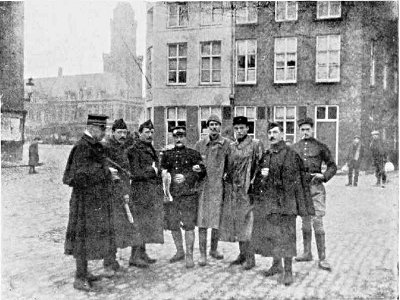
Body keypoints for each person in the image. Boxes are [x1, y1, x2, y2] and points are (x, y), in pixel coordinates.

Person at [252, 123, 315, 286]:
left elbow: (291, 180)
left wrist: (270, 175)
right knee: (273, 234)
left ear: (282, 135)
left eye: (275, 132)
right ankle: (276, 265)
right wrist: (262, 176)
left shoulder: (290, 155)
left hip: (286, 203)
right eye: (269, 133)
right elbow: (258, 178)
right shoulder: (266, 155)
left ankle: (288, 271)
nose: (272, 135)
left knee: (286, 237)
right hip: (270, 203)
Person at [63, 114, 116, 291]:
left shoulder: (91, 145)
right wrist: (107, 173)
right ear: (92, 128)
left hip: (93, 199)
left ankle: (85, 273)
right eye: (102, 129)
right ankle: (79, 278)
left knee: (88, 237)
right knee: (82, 237)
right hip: (84, 201)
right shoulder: (83, 147)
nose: (103, 133)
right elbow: (80, 175)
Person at [219, 116, 264, 270]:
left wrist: (253, 187)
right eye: (236, 128)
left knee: (247, 224)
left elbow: (259, 168)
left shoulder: (255, 145)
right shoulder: (231, 147)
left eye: (241, 128)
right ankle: (242, 254)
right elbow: (228, 168)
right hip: (234, 191)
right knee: (238, 222)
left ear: (247, 129)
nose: (238, 131)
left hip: (248, 191)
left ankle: (250, 258)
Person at [293, 117, 337, 271]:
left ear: (312, 129)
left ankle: (323, 258)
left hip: (316, 188)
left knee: (317, 220)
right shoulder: (294, 148)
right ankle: (306, 252)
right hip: (301, 188)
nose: (305, 132)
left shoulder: (320, 147)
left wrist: (324, 176)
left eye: (307, 129)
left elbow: (332, 166)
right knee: (305, 220)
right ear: (299, 131)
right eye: (302, 130)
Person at [161, 126, 206, 268]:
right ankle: (180, 251)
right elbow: (162, 172)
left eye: (181, 136)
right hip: (173, 195)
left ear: (185, 137)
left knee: (189, 226)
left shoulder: (193, 154)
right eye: (176, 136)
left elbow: (202, 172)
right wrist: (168, 178)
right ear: (172, 138)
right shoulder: (167, 155)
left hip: (188, 195)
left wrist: (186, 177)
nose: (179, 139)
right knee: (173, 225)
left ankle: (189, 256)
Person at [103, 119, 144, 268]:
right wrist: (122, 191)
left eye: (124, 132)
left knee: (133, 223)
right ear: (112, 132)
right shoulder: (106, 148)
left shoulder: (122, 147)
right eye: (119, 132)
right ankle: (110, 261)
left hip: (125, 192)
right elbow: (111, 174)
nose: (122, 135)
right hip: (113, 195)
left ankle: (135, 256)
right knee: (113, 227)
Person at [126, 120, 164, 267]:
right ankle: (134, 257)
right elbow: (134, 173)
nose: (150, 135)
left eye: (152, 132)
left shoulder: (150, 148)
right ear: (139, 133)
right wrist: (153, 171)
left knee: (146, 224)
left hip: (150, 192)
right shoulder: (134, 150)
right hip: (140, 192)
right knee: (139, 224)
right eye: (147, 132)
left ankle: (142, 253)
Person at [195, 114, 230, 266]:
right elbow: (194, 165)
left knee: (217, 221)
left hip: (219, 187)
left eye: (216, 124)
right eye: (211, 125)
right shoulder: (200, 144)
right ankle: (202, 254)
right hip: (204, 188)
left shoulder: (227, 144)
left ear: (220, 127)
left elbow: (231, 165)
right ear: (207, 127)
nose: (214, 127)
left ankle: (213, 250)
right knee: (202, 221)